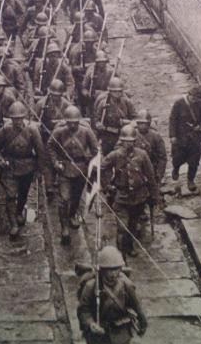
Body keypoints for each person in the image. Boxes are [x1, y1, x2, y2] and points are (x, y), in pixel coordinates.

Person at [102, 123, 158, 258]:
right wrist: (107, 185)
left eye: (132, 141)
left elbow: (150, 176)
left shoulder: (142, 155)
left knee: (133, 225)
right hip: (121, 196)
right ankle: (121, 257)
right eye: (126, 141)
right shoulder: (115, 155)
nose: (129, 144)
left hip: (139, 196)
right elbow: (101, 169)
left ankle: (129, 245)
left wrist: (154, 196)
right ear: (121, 141)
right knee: (122, 228)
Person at [0, 101, 45, 239]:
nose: (17, 121)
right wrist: (0, 160)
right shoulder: (5, 129)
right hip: (10, 165)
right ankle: (13, 224)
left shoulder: (32, 130)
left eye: (20, 118)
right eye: (14, 118)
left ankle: (19, 211)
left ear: (24, 117)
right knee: (10, 195)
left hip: (27, 166)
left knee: (23, 193)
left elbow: (40, 151)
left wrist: (39, 170)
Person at [77, 245, 148, 344]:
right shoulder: (91, 286)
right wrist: (91, 323)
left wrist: (143, 323)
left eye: (116, 269)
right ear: (102, 270)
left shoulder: (126, 285)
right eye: (109, 270)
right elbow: (83, 310)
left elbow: (136, 305)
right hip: (98, 336)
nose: (113, 274)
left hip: (121, 335)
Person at [48, 105, 98, 244]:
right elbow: (50, 146)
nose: (72, 125)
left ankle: (71, 215)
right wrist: (55, 162)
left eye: (75, 122)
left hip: (81, 169)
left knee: (76, 196)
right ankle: (64, 228)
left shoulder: (86, 132)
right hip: (64, 168)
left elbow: (96, 150)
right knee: (64, 198)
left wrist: (91, 162)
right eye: (70, 122)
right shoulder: (59, 132)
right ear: (66, 121)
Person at [35, 79, 71, 198]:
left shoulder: (67, 105)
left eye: (58, 95)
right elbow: (34, 122)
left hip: (61, 137)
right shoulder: (41, 104)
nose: (56, 97)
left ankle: (60, 182)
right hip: (46, 136)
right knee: (47, 161)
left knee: (60, 158)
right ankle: (49, 185)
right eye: (54, 94)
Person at [169, 84, 201, 192]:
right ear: (189, 94)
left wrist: (200, 125)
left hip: (194, 138)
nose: (194, 100)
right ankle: (176, 169)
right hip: (180, 138)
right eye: (193, 97)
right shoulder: (179, 103)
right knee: (177, 158)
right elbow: (172, 120)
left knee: (194, 161)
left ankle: (191, 180)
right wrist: (172, 135)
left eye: (197, 99)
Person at [135, 109, 167, 187]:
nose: (142, 126)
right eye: (140, 123)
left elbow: (162, 157)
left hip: (152, 167)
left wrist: (159, 174)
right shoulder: (132, 134)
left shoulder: (156, 136)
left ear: (149, 124)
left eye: (144, 123)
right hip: (136, 167)